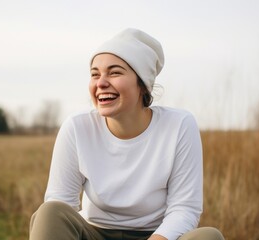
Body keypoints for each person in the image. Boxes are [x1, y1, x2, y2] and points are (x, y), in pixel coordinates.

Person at [29, 28, 224, 240]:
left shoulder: (179, 125)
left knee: (208, 237)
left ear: (143, 85)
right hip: (93, 233)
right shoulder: (77, 127)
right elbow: (61, 201)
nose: (101, 83)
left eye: (114, 72)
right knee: (49, 213)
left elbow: (184, 209)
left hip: (157, 236)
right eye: (95, 74)